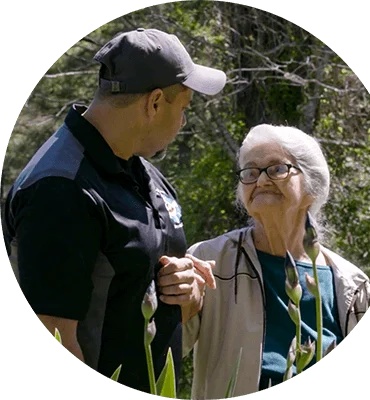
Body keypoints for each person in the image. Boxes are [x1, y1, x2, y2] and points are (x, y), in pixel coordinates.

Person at [1, 27, 225, 393]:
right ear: (153, 103)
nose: (183, 122)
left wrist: (189, 291)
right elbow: (56, 334)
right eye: (183, 108)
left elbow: (135, 287)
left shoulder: (139, 168)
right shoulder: (60, 189)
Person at [182, 123, 370, 399]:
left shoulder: (351, 284)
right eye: (250, 172)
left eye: (276, 169)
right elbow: (164, 351)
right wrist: (181, 308)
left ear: (312, 186)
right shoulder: (210, 260)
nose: (260, 181)